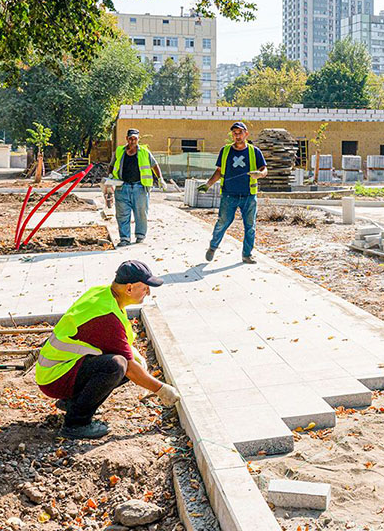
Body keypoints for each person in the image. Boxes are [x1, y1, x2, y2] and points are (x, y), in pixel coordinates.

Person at [35, 261, 180, 439]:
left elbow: (115, 340)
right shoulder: (106, 317)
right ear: (129, 289)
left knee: (124, 364)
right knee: (116, 366)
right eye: (145, 288)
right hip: (54, 378)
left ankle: (74, 403)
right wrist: (161, 390)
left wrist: (135, 356)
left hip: (61, 368)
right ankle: (76, 424)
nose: (148, 292)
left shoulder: (104, 294)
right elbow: (129, 367)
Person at [201, 121, 267, 263]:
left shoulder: (254, 151)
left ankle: (247, 255)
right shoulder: (225, 151)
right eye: (234, 133)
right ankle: (213, 247)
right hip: (229, 194)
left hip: (249, 195)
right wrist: (208, 184)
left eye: (240, 133)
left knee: (250, 226)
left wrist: (260, 174)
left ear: (246, 134)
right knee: (222, 222)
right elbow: (219, 171)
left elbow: (264, 169)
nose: (237, 136)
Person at [110, 128, 166, 247]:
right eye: (130, 139)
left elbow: (155, 165)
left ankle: (140, 236)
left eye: (135, 139)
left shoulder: (145, 152)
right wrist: (110, 176)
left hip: (140, 187)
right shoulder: (120, 151)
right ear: (127, 139)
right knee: (122, 214)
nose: (132, 141)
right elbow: (111, 164)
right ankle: (124, 238)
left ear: (138, 139)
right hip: (122, 186)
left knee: (141, 213)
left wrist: (160, 178)